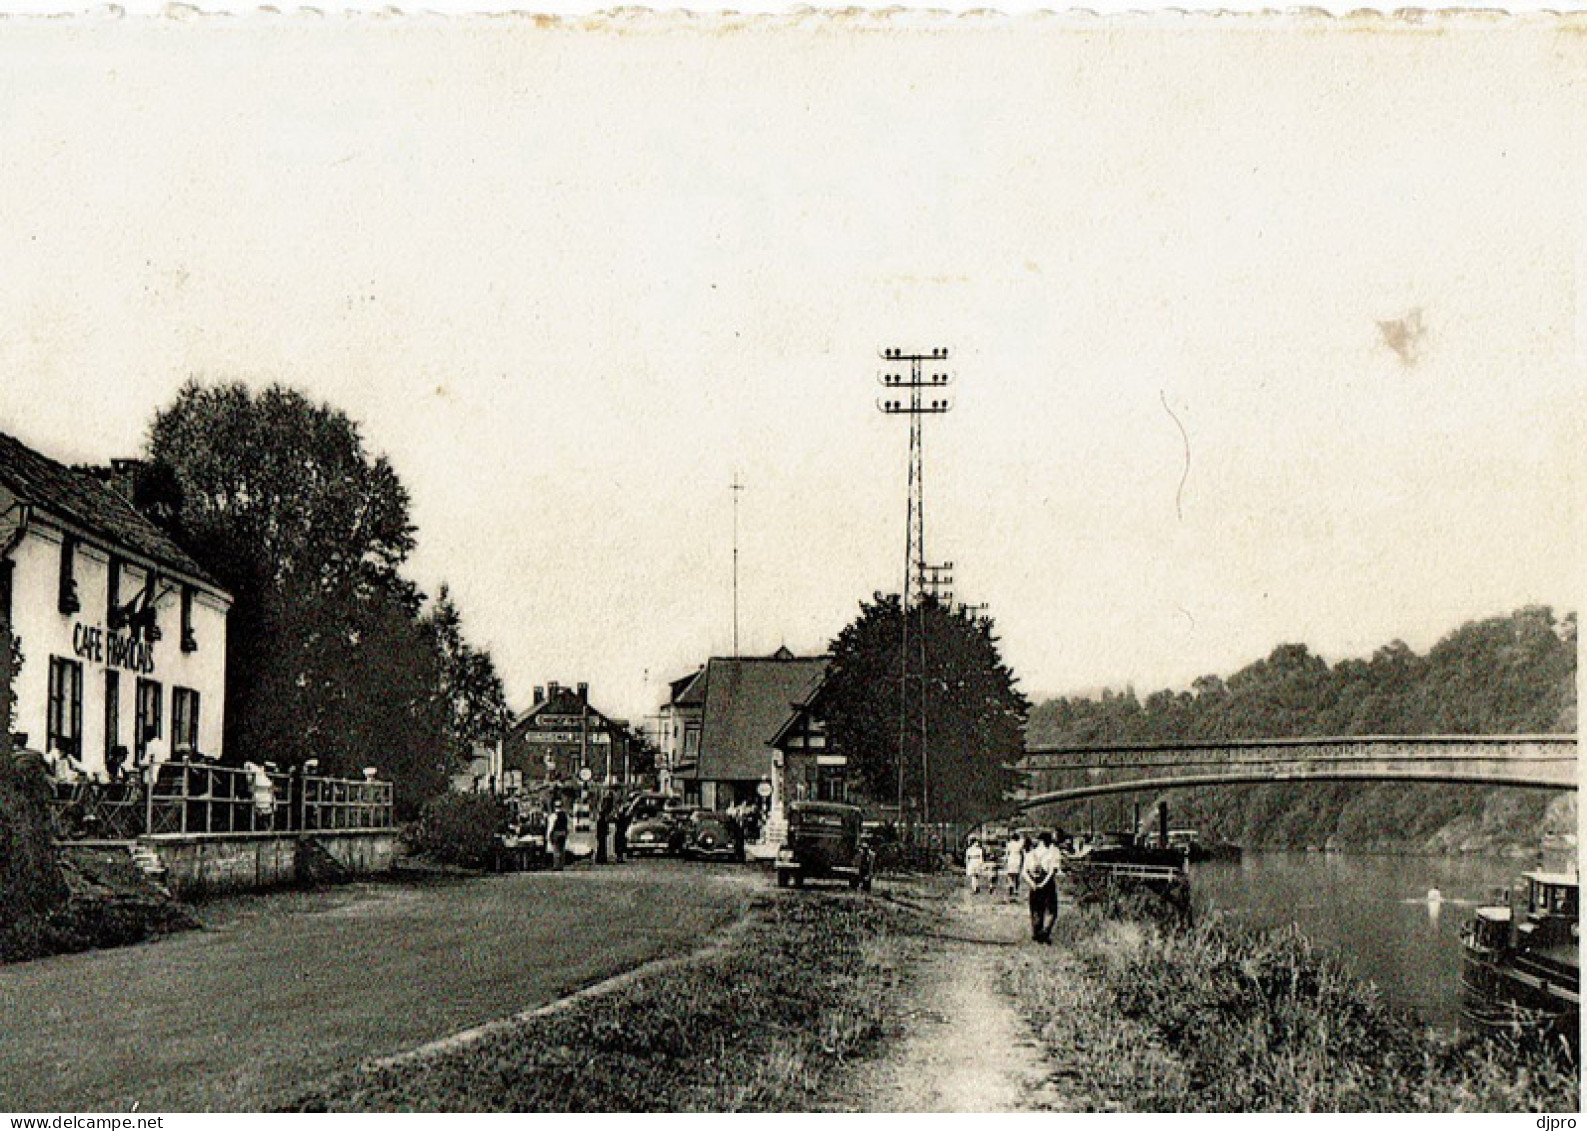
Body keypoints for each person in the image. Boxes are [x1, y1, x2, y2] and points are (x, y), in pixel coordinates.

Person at [1022, 830, 1060, 944]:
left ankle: (1037, 932)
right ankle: (1045, 932)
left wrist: (1032, 883)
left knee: (1036, 909)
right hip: (1048, 884)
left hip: (1033, 882)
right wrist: (1044, 883)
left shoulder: (1030, 853)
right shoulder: (1053, 853)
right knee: (1051, 910)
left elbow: (1024, 872)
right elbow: (1052, 871)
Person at [547, 799, 570, 871]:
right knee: (562, 850)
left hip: (556, 833)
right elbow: (568, 825)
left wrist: (548, 835)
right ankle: (561, 865)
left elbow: (551, 826)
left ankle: (556, 865)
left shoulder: (553, 815)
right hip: (563, 833)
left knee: (556, 850)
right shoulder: (565, 815)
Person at [1003, 833, 1025, 901]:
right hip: (1017, 860)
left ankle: (1011, 885)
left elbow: (1007, 854)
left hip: (1011, 860)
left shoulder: (1009, 844)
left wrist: (1005, 861)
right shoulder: (1019, 845)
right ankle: (1016, 889)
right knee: (1017, 876)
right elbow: (1022, 854)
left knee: (1010, 875)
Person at [595, 790, 613, 864]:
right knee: (602, 843)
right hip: (602, 826)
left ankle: (601, 857)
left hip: (601, 826)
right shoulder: (604, 810)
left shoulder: (602, 809)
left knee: (602, 843)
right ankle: (601, 857)